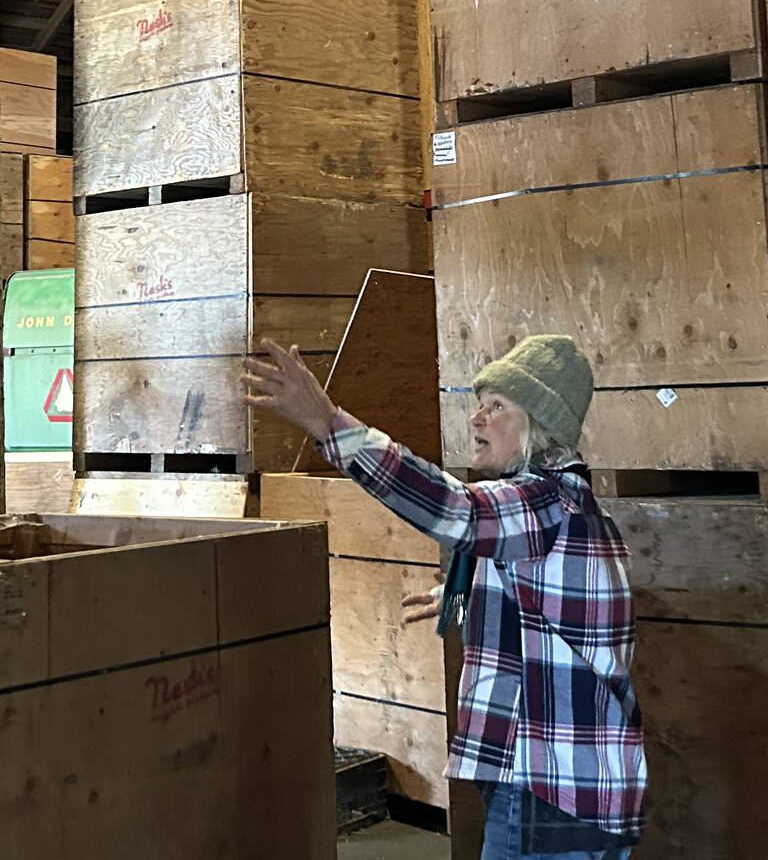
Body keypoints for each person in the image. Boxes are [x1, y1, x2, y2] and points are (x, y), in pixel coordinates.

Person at [246, 333, 645, 859]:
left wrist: (328, 422)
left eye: (497, 406)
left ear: (539, 425)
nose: (477, 419)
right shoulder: (567, 510)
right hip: (559, 786)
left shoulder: (547, 503)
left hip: (550, 787)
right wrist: (469, 596)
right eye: (479, 405)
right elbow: (550, 607)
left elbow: (453, 508)